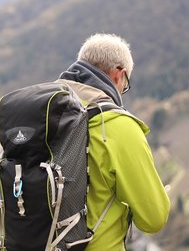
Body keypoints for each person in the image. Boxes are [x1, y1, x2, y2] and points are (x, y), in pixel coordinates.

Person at [56, 33, 170, 251]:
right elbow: (153, 218)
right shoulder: (118, 126)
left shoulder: (44, 114)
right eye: (125, 84)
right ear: (119, 75)